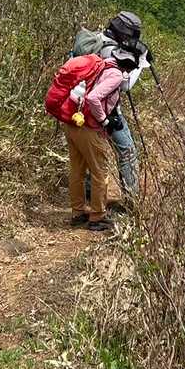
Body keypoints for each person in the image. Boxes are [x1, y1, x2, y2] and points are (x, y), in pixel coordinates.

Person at [70, 10, 151, 202]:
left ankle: (88, 196)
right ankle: (131, 200)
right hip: (104, 111)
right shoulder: (111, 51)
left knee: (90, 154)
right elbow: (125, 85)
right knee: (127, 150)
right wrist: (141, 63)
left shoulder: (96, 39)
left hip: (79, 105)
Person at [59, 46, 137, 232]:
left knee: (77, 170)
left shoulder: (99, 64)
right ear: (128, 66)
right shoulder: (116, 75)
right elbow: (93, 98)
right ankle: (97, 217)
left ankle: (77, 213)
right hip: (89, 127)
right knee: (100, 171)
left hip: (73, 122)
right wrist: (104, 120)